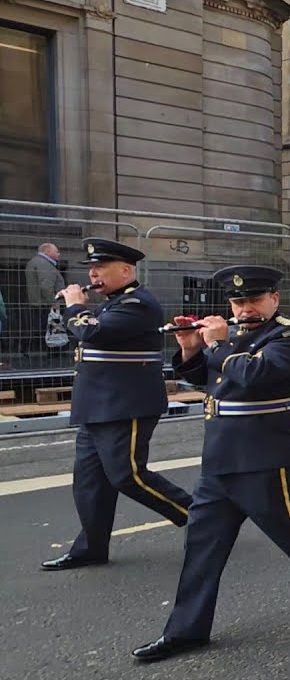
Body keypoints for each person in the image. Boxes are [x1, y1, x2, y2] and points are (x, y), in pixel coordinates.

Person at [132, 265, 290, 662]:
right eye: (238, 301)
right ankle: (186, 631)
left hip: (266, 458)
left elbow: (254, 375)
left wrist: (217, 345)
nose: (246, 308)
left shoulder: (288, 336)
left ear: (274, 298)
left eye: (254, 300)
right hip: (220, 459)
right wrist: (190, 347)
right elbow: (207, 378)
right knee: (201, 546)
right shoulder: (233, 335)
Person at [41, 239, 193, 572]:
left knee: (128, 475)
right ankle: (91, 547)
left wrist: (74, 306)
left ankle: (199, 517)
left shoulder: (138, 303)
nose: (92, 275)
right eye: (91, 269)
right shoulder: (113, 302)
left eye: (100, 269)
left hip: (127, 405)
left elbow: (93, 335)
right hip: (96, 406)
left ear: (125, 271)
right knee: (89, 483)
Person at [23, 242, 65, 355]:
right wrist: (53, 301)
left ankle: (30, 351)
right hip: (45, 303)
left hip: (37, 302)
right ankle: (50, 352)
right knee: (49, 328)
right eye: (56, 251)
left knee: (36, 327)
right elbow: (46, 286)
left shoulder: (35, 262)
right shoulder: (44, 264)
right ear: (47, 251)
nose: (59, 254)